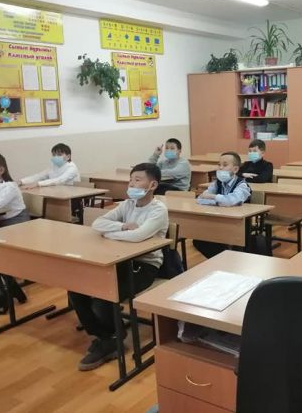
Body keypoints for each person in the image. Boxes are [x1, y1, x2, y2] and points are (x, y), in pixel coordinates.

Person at [69, 163, 169, 371]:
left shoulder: (158, 210)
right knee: (76, 288)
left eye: (137, 180)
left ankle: (110, 340)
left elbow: (138, 236)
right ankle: (107, 337)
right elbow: (98, 224)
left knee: (104, 295)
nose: (131, 184)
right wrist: (122, 226)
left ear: (152, 185)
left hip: (144, 266)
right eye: (130, 180)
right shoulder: (128, 204)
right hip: (119, 259)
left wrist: (110, 233)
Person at [193, 152, 251, 258]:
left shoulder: (242, 185)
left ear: (235, 169)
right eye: (219, 165)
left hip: (238, 226)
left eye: (225, 165)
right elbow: (201, 199)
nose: (220, 168)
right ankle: (222, 260)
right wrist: (218, 201)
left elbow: (231, 201)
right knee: (199, 240)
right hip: (218, 221)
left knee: (232, 247)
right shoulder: (217, 183)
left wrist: (213, 197)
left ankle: (226, 259)